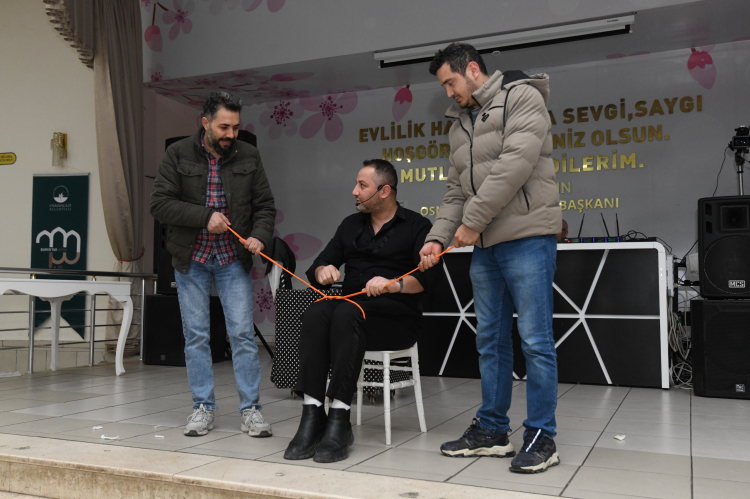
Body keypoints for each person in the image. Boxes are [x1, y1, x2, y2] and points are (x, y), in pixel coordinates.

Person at [419, 43, 562, 473]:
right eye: (443, 86)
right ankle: (493, 430)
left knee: (535, 340)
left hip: (527, 238)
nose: (448, 92)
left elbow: (515, 164)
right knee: (490, 341)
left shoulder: (522, 96)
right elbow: (455, 191)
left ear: (473, 70)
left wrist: (473, 221)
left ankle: (542, 436)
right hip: (485, 246)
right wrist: (437, 238)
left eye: (451, 82)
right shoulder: (459, 124)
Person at [284, 159, 435, 464]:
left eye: (362, 185)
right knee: (316, 313)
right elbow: (320, 264)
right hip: (352, 312)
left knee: (345, 313)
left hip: (395, 319)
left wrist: (392, 285)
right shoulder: (350, 225)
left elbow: (426, 280)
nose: (354, 191)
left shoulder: (418, 226)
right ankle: (312, 413)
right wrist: (323, 271)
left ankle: (340, 417)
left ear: (384, 191)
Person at [150, 91, 276, 438]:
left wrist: (259, 236)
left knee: (242, 334)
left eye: (236, 127)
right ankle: (202, 407)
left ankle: (251, 410)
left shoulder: (249, 154)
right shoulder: (177, 154)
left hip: (233, 258)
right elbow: (159, 204)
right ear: (204, 122)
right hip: (191, 258)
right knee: (196, 336)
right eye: (223, 127)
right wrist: (205, 217)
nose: (231, 134)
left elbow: (265, 206)